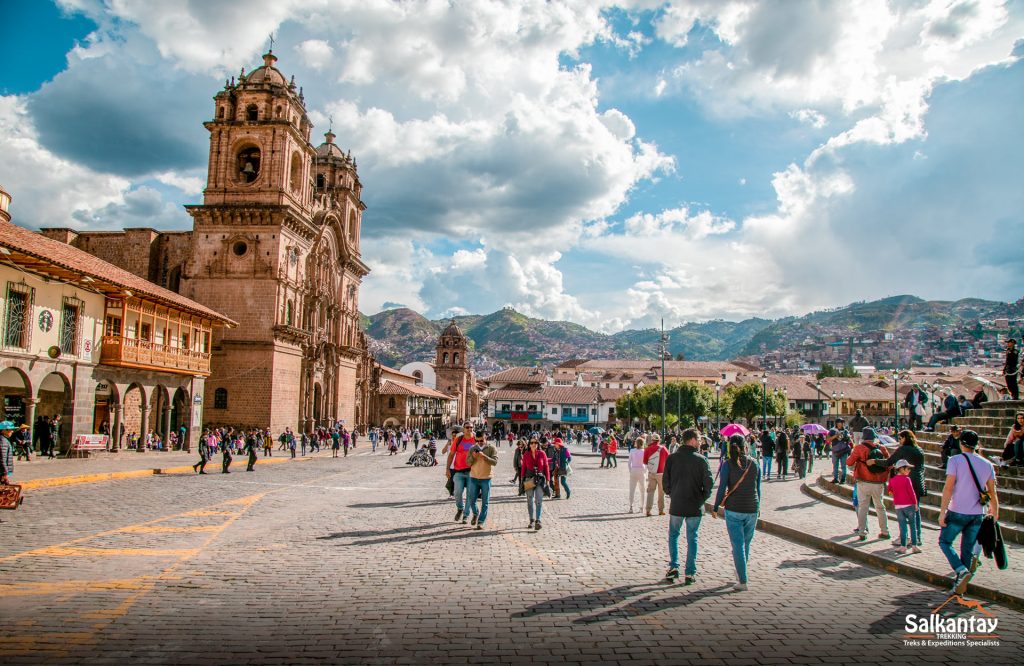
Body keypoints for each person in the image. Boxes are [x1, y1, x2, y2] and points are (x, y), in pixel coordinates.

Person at [939, 429, 999, 594]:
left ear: (961, 443)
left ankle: (960, 570)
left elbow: (948, 487)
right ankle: (959, 587)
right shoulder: (987, 464)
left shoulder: (955, 460)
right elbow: (992, 491)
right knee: (967, 549)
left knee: (945, 542)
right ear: (976, 444)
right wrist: (995, 511)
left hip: (957, 509)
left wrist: (942, 511)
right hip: (977, 512)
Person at [662, 428, 713, 584]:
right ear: (691, 440)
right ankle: (690, 572)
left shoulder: (672, 458)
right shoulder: (701, 460)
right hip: (694, 505)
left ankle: (674, 567)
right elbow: (709, 484)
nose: (700, 442)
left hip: (677, 503)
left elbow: (666, 482)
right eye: (698, 439)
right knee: (692, 538)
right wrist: (701, 498)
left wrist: (673, 493)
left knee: (673, 536)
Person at [712, 434, 761, 592]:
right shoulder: (755, 464)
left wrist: (715, 507)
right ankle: (741, 573)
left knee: (737, 544)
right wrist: (759, 507)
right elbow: (758, 488)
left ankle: (742, 579)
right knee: (745, 544)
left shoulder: (727, 464)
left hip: (734, 509)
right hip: (752, 507)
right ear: (745, 445)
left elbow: (722, 488)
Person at [846, 427, 891, 541]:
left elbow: (849, 462)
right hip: (878, 482)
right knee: (880, 507)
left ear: (863, 437)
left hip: (863, 481)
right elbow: (889, 464)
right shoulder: (882, 448)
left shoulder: (859, 448)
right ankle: (885, 531)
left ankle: (862, 532)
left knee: (863, 507)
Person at [889, 460, 921, 554]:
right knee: (912, 525)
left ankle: (903, 546)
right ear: (902, 469)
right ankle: (914, 546)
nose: (909, 470)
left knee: (902, 527)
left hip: (898, 506)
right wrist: (915, 504)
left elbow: (890, 491)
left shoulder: (892, 480)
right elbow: (912, 492)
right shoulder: (907, 479)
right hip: (909, 505)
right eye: (908, 468)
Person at [447, 422, 476, 524]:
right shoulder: (458, 440)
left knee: (469, 494)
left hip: (471, 472)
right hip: (458, 470)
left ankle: (466, 515)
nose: (469, 429)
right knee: (457, 492)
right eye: (467, 427)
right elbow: (451, 455)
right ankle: (460, 508)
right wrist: (447, 469)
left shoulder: (476, 440)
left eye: (471, 427)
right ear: (463, 429)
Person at [466, 438, 498, 530]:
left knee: (485, 502)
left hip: (486, 478)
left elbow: (495, 462)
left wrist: (484, 456)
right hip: (474, 477)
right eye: (478, 440)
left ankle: (480, 522)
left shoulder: (491, 448)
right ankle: (475, 513)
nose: (479, 442)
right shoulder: (472, 448)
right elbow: (468, 463)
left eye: (481, 440)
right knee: (471, 500)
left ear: (486, 438)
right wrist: (473, 457)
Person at [520, 438, 550, 530]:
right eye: (532, 442)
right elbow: (523, 468)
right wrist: (521, 480)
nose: (533, 444)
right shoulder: (526, 454)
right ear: (529, 444)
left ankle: (538, 520)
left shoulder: (542, 453)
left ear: (538, 444)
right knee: (529, 500)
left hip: (540, 479)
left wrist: (548, 480)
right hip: (529, 479)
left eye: (535, 442)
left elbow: (546, 467)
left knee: (538, 500)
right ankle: (531, 520)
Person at [643, 433, 669, 516]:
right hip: (661, 473)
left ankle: (648, 510)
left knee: (650, 492)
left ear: (652, 440)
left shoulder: (647, 449)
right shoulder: (663, 449)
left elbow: (645, 461)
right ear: (659, 440)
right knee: (661, 492)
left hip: (651, 473)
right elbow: (668, 460)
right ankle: (661, 510)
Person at [827, 420, 852, 484]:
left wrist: (847, 437)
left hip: (844, 450)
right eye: (839, 422)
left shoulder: (846, 431)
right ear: (836, 423)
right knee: (835, 465)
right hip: (835, 450)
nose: (840, 424)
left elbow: (849, 440)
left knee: (843, 466)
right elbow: (828, 439)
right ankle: (836, 478)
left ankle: (843, 479)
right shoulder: (832, 430)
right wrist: (835, 436)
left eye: (842, 423)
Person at [627, 435, 647, 513]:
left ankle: (631, 507)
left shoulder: (632, 451)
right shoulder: (644, 451)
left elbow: (629, 463)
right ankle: (641, 507)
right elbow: (646, 463)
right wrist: (645, 471)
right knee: (642, 490)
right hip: (641, 470)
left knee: (632, 490)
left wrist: (631, 471)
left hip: (634, 469)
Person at [0, 421, 16, 487]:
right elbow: (2, 458)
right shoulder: (2, 441)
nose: (12, 431)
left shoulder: (4, 439)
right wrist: (4, 474)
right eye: (11, 429)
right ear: (4, 430)